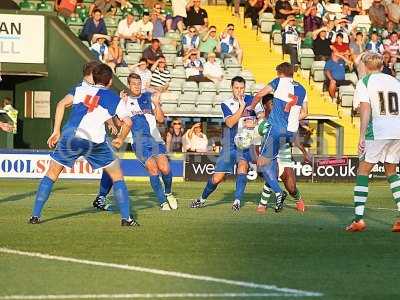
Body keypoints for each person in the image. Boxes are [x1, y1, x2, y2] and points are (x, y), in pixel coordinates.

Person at [28, 63, 138, 227]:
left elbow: (60, 104)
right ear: (109, 81)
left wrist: (56, 131)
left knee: (51, 174)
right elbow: (127, 122)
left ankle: (35, 216)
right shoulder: (114, 98)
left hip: (70, 138)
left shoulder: (80, 90)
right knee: (117, 177)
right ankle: (126, 219)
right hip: (95, 142)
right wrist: (120, 139)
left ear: (94, 78)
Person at [95, 73, 178, 211]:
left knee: (165, 168)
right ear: (129, 85)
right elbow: (119, 123)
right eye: (134, 84)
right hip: (139, 142)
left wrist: (157, 105)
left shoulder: (148, 97)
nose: (137, 86)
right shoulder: (124, 102)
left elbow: (161, 119)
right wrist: (117, 109)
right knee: (153, 169)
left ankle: (168, 193)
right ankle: (163, 202)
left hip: (155, 139)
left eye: (139, 84)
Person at [346, 53, 400, 232]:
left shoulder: (365, 82)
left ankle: (358, 219)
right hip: (397, 130)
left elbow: (365, 108)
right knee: (391, 171)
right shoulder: (394, 81)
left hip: (378, 130)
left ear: (366, 66)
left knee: (363, 170)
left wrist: (361, 135)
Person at [191, 76, 256, 211]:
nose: (239, 91)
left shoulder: (252, 100)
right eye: (237, 88)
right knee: (217, 178)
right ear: (232, 88)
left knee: (242, 167)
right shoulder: (226, 104)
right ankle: (201, 199)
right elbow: (230, 122)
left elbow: (261, 116)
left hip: (245, 144)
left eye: (242, 88)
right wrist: (242, 106)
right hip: (230, 145)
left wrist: (255, 121)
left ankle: (237, 201)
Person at [251, 62, 308, 212]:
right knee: (270, 168)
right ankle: (262, 204)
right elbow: (305, 113)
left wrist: (251, 107)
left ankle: (297, 199)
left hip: (284, 148)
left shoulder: (279, 83)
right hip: (284, 134)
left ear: (280, 73)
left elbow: (259, 95)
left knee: (291, 186)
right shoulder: (302, 89)